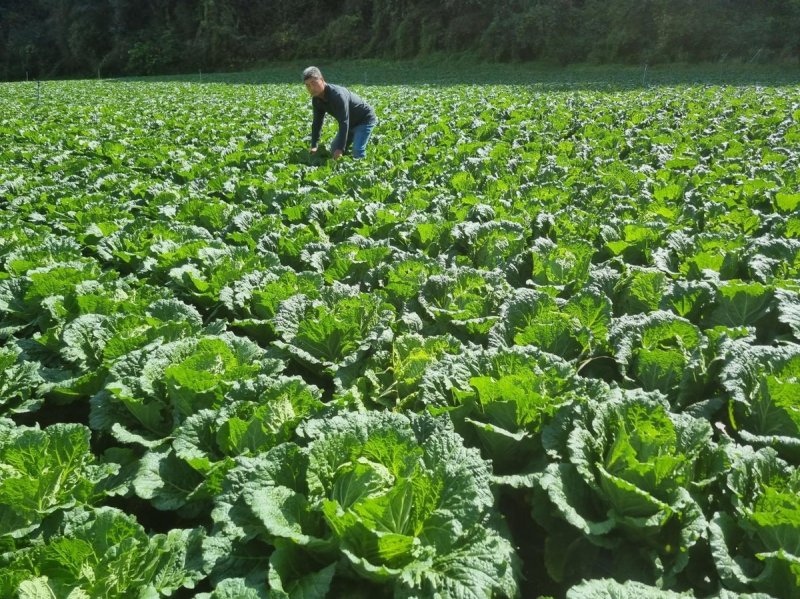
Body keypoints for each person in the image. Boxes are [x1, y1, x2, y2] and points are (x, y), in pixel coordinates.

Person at [303, 66, 377, 160]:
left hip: (364, 120)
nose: (311, 88)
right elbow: (317, 123)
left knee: (357, 150)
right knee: (334, 149)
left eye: (314, 83)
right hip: (349, 123)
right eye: (307, 85)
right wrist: (314, 145)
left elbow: (344, 122)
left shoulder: (337, 95)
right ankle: (346, 162)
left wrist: (340, 149)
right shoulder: (316, 100)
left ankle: (363, 170)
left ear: (322, 80)